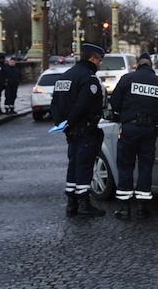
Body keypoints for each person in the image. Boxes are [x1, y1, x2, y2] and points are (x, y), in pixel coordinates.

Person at [110, 52, 158, 220]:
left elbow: (114, 102)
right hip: (149, 130)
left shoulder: (127, 79)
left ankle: (124, 208)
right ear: (151, 66)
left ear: (137, 65)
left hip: (129, 128)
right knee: (146, 166)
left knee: (125, 165)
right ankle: (142, 206)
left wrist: (121, 114)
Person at [50, 42, 107, 218]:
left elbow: (54, 104)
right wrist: (73, 122)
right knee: (84, 164)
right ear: (92, 59)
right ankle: (84, 203)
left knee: (73, 163)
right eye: (99, 60)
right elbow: (82, 105)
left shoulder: (64, 77)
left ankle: (71, 203)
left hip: (69, 130)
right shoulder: (89, 79)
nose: (100, 64)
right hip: (85, 128)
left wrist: (64, 124)